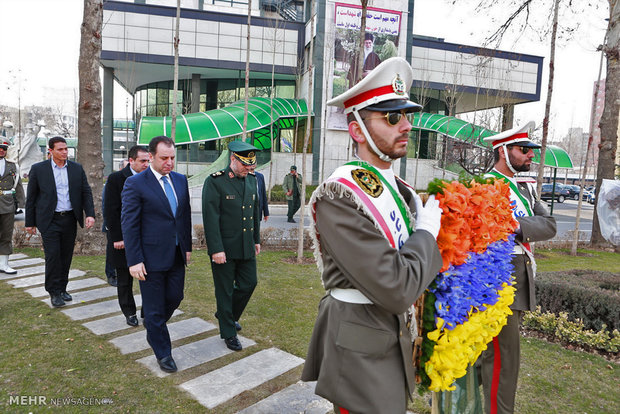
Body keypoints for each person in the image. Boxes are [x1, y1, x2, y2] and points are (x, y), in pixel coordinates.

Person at [301, 57, 444, 413]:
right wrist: (426, 233)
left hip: (389, 338)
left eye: (408, 116)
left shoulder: (400, 189)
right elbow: (396, 288)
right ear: (357, 131)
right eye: (393, 118)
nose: (407, 126)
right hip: (359, 351)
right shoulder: (340, 195)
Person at [480, 122, 557, 414]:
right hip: (499, 277)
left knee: (505, 357)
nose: (530, 156)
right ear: (503, 151)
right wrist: (523, 228)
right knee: (502, 358)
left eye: (531, 150)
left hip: (520, 274)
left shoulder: (524, 188)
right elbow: (491, 230)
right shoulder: (487, 186)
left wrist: (513, 225)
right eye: (524, 150)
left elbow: (549, 226)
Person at [121, 136, 192, 373]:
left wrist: (187, 247)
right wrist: (134, 260)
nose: (169, 162)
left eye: (172, 157)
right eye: (164, 158)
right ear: (151, 157)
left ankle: (153, 324)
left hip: (175, 254)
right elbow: (129, 224)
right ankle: (163, 352)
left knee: (175, 297)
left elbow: (184, 216)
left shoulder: (180, 181)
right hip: (149, 259)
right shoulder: (136, 183)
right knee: (153, 310)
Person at [202, 141, 261, 351]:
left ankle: (226, 315)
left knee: (249, 283)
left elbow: (255, 211)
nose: (249, 169)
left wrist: (256, 240)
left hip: (246, 245)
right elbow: (211, 218)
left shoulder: (252, 180)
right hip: (224, 249)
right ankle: (228, 332)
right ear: (233, 159)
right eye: (245, 165)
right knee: (224, 291)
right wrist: (216, 249)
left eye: (251, 166)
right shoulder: (215, 182)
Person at [25, 136, 95, 307]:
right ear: (50, 151)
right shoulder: (39, 169)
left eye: (66, 149)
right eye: (60, 149)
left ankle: (63, 288)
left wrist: (90, 214)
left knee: (66, 256)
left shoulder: (76, 169)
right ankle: (53, 291)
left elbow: (86, 192)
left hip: (70, 218)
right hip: (49, 220)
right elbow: (31, 198)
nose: (65, 152)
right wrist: (30, 222)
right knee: (53, 256)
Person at [104, 145, 150, 327]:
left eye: (148, 160)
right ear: (131, 161)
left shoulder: (152, 177)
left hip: (147, 238)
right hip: (123, 239)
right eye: (143, 161)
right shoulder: (116, 179)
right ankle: (129, 312)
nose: (147, 164)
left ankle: (148, 310)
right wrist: (117, 238)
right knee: (124, 278)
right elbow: (111, 210)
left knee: (149, 276)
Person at [0, 140, 25, 274]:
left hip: (7, 205)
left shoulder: (13, 166)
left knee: (6, 235)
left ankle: (4, 264)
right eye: (0, 148)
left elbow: (18, 185)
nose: (2, 150)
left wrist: (21, 204)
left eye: (4, 148)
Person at [102, 186, 118, 287]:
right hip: (113, 223)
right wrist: (108, 223)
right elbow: (106, 204)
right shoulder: (113, 181)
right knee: (112, 250)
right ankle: (111, 274)